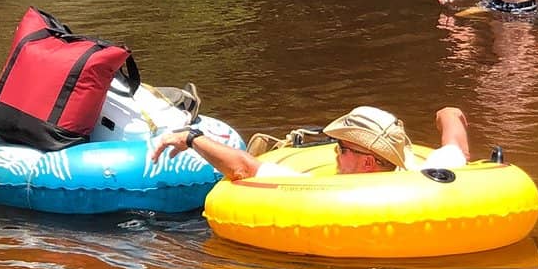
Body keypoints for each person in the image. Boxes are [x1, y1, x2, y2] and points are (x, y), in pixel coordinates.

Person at [150, 105, 470, 180]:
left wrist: (190, 137)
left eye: (342, 149)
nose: (335, 154)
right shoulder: (427, 173)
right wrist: (448, 113)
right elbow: (456, 142)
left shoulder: (316, 190)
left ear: (368, 162)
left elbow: (243, 167)